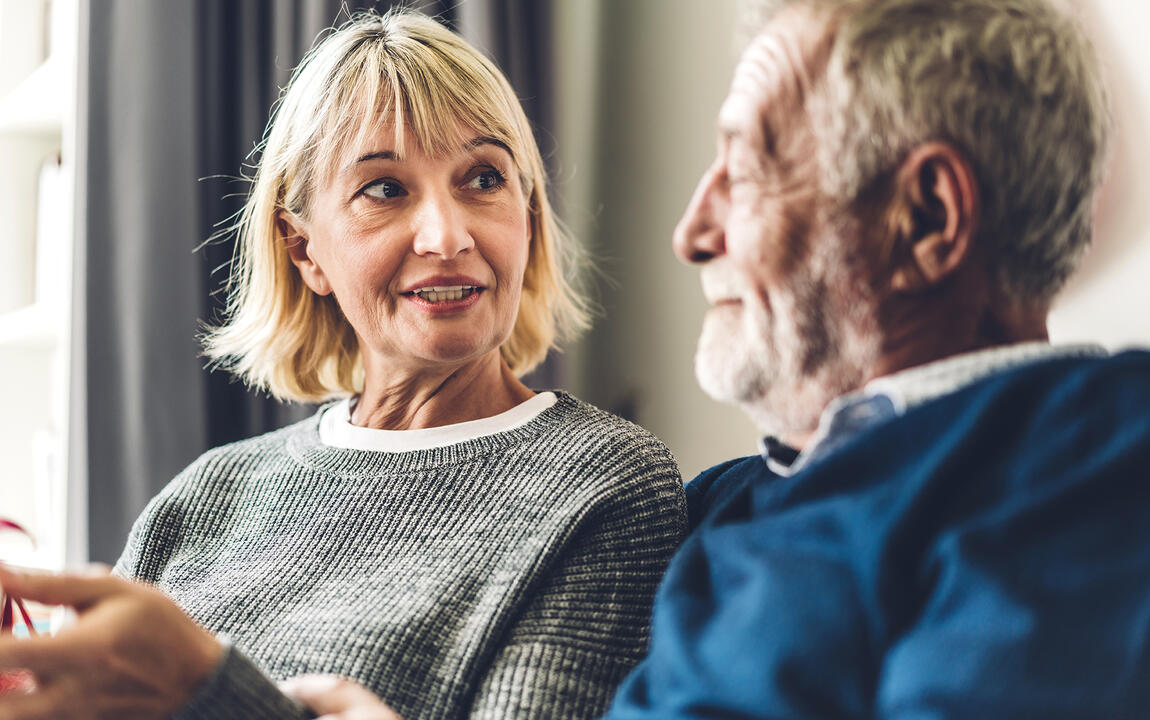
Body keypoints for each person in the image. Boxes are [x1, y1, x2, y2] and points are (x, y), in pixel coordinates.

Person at [220, 0, 1150, 718]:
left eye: (744, 171)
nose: (689, 231)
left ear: (929, 220)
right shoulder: (724, 506)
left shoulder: (1096, 464)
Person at [0, 10, 686, 720]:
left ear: (529, 214)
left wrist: (209, 691)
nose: (447, 236)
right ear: (305, 251)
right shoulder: (203, 498)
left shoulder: (608, 487)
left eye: (483, 178)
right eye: (385, 189)